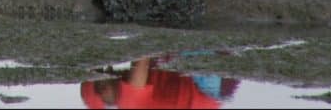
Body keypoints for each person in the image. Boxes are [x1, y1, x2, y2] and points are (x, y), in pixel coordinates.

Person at [79, 56, 239, 109]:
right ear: (102, 90)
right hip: (209, 87)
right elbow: (143, 54)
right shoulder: (128, 103)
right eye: (105, 72)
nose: (110, 69)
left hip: (217, 91)